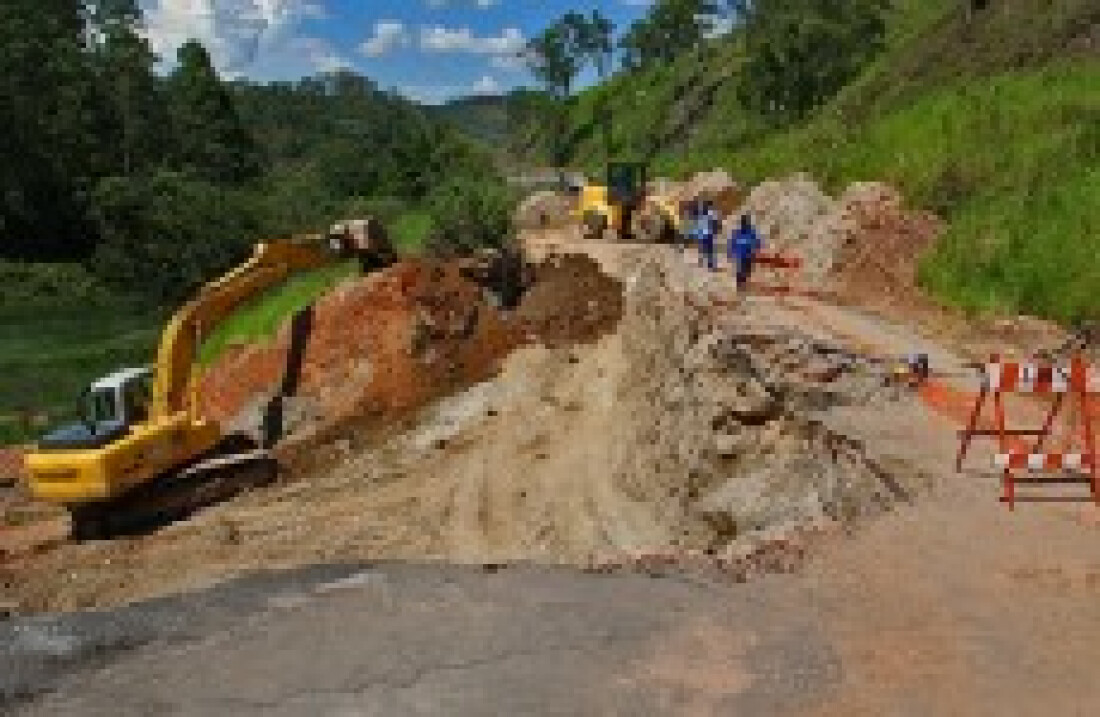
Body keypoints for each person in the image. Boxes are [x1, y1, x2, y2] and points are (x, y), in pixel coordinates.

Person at [729, 213, 762, 290]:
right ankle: (741, 285)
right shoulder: (743, 232)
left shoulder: (746, 232)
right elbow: (757, 242)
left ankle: (742, 285)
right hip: (744, 254)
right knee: (742, 270)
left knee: (744, 270)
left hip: (745, 254)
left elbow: (757, 242)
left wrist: (731, 252)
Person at [695, 200, 717, 271]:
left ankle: (703, 262)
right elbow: (714, 223)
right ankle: (709, 264)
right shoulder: (711, 213)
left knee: (703, 248)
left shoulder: (701, 214)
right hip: (708, 233)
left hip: (702, 233)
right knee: (709, 249)